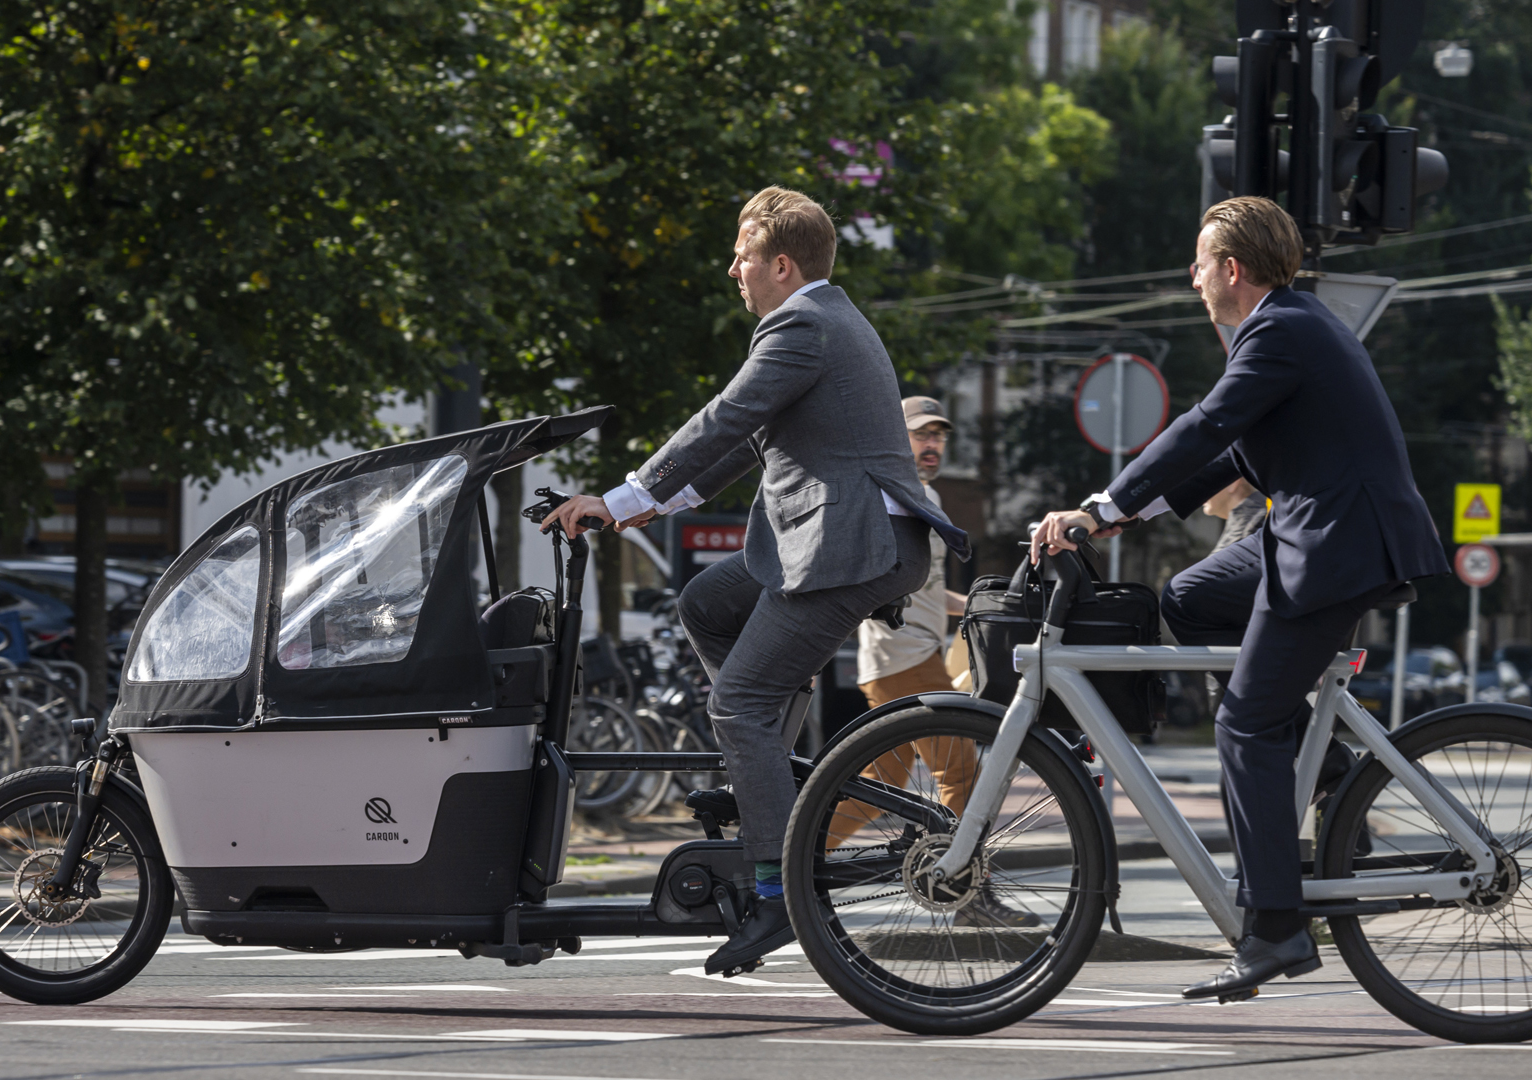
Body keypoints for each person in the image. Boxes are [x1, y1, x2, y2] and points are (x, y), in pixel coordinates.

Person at [541, 186, 966, 976]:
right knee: (706, 602)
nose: (731, 270)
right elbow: (749, 444)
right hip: (841, 543)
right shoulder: (825, 320)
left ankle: (776, 891)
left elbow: (726, 417)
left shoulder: (803, 324)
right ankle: (764, 768)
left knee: (735, 702)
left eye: (742, 257)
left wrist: (622, 495)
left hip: (848, 548)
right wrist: (649, 507)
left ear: (781, 265)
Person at [1031, 196, 1447, 1000]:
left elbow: (1205, 425)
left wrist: (1103, 506)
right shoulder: (1291, 325)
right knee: (1190, 598)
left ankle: (1275, 927)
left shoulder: (1279, 330)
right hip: (1315, 533)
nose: (1191, 279)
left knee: (1245, 723)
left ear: (1231, 268)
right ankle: (1328, 765)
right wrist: (1114, 515)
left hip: (1337, 545)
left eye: (1198, 264)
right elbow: (1225, 458)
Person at [843, 397, 1040, 929]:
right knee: (961, 772)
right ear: (895, 436)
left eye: (938, 436)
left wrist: (987, 605)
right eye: (920, 435)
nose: (932, 446)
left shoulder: (918, 493)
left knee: (877, 785)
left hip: (899, 656)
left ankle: (790, 859)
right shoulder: (895, 491)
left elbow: (927, 590)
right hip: (904, 654)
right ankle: (970, 895)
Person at [1204, 477, 1268, 553]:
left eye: (1204, 481)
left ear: (1232, 483)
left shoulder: (1253, 525)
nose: (1198, 492)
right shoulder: (1253, 520)